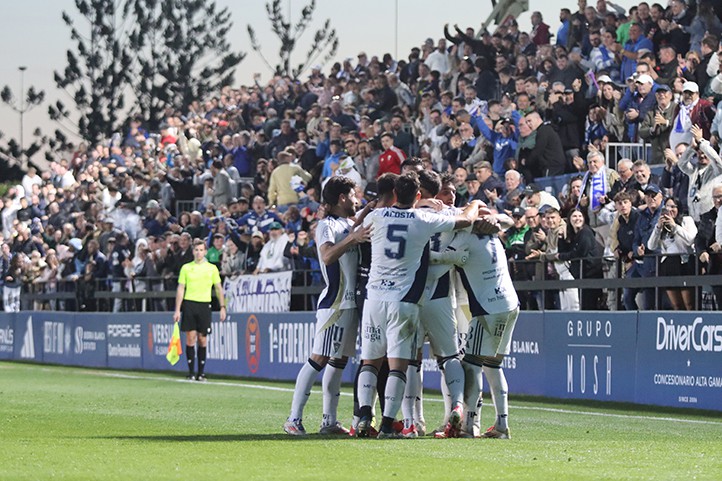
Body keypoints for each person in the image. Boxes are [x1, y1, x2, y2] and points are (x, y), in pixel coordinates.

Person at [355, 173, 481, 438]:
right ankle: (392, 424)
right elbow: (468, 220)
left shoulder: (376, 216)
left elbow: (357, 226)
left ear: (393, 194)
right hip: (413, 298)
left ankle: (369, 416)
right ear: (419, 195)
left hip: (374, 298)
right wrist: (476, 203)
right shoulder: (427, 217)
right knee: (425, 361)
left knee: (371, 362)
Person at [284, 177, 371, 436]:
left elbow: (354, 227)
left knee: (339, 361)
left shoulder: (347, 223)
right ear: (342, 198)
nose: (358, 200)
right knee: (318, 359)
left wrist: (366, 212)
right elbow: (327, 255)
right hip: (334, 302)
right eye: (354, 196)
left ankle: (329, 420)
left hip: (349, 303)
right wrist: (353, 239)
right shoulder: (326, 225)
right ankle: (293, 419)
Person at [455, 212, 518, 439]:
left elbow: (440, 260)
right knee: (493, 365)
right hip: (511, 303)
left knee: (471, 363)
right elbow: (509, 219)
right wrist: (496, 217)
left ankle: (469, 425)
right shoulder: (493, 234)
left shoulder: (463, 239)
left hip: (487, 308)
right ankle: (502, 424)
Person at [173, 238, 226, 382]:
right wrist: (177, 309)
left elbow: (218, 288)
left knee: (202, 339)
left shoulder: (212, 268)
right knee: (190, 338)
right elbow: (181, 288)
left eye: (201, 250)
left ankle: (201, 373)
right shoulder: (186, 268)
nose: (199, 253)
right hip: (190, 304)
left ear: (205, 252)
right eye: (196, 250)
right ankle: (191, 372)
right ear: (193, 251)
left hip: (204, 304)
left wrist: (222, 307)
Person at [647, 196, 697, 310]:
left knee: (689, 303)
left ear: (678, 207)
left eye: (673, 206)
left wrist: (675, 226)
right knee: (676, 304)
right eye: (667, 206)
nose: (670, 209)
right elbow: (651, 246)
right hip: (669, 265)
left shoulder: (686, 220)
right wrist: (658, 228)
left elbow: (691, 240)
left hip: (684, 263)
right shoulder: (662, 225)